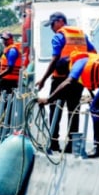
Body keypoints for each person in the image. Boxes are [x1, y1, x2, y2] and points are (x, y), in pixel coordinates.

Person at [39, 51, 99, 159]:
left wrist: (49, 99)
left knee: (96, 109)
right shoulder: (88, 60)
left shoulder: (77, 63)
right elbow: (94, 90)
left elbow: (68, 82)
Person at [34, 12, 95, 152]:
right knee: (74, 110)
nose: (51, 28)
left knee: (55, 108)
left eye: (52, 24)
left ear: (60, 21)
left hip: (60, 79)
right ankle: (71, 145)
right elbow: (93, 52)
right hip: (77, 79)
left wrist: (43, 79)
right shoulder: (82, 35)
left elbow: (55, 59)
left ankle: (54, 143)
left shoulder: (59, 36)